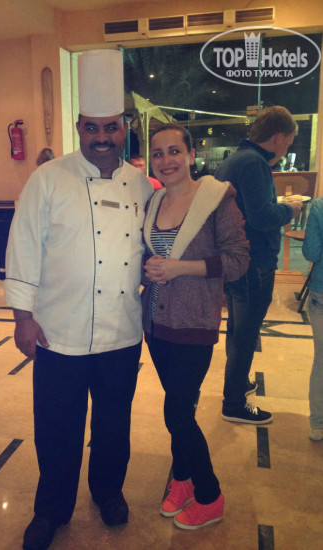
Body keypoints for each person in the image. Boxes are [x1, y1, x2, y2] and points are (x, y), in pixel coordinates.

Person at [4, 49, 153, 550]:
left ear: (124, 127)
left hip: (121, 331)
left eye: (111, 127)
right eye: (92, 128)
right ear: (79, 128)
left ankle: (108, 491)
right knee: (56, 429)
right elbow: (23, 248)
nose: (102, 137)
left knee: (114, 424)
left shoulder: (141, 185)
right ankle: (50, 510)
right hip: (58, 331)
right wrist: (22, 317)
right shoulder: (48, 179)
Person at [141, 124, 249, 530]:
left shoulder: (216, 198)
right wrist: (149, 267)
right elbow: (148, 253)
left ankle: (209, 494)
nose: (166, 160)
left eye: (174, 151)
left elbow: (238, 261)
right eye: (158, 153)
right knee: (179, 406)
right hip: (155, 321)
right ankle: (182, 478)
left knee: (177, 413)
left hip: (194, 322)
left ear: (190, 155)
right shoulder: (154, 201)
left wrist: (179, 268)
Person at [215, 106, 303, 424]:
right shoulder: (255, 163)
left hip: (236, 259)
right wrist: (290, 210)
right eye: (288, 143)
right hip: (253, 262)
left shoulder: (235, 160)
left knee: (237, 329)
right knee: (245, 333)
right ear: (278, 137)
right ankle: (234, 404)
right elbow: (262, 217)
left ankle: (238, 385)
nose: (286, 150)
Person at [302, 196, 323, 442]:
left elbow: (311, 252)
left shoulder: (319, 206)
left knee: (322, 360)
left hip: (321, 290)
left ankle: (318, 424)